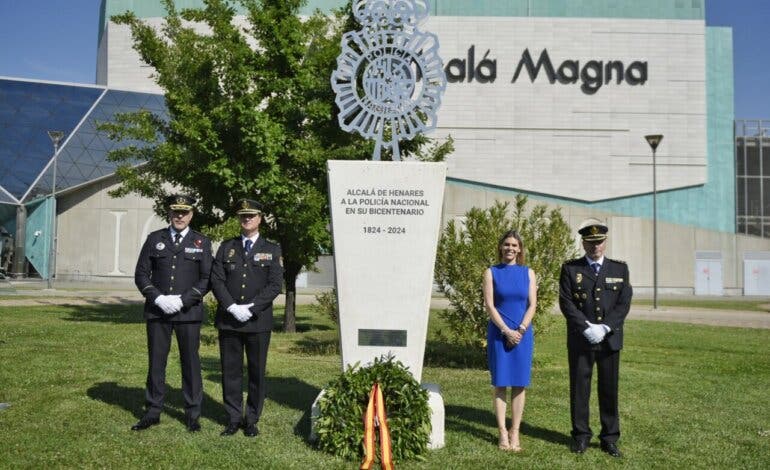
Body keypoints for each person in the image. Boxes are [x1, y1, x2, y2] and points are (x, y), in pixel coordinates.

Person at [132, 194, 213, 432]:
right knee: (157, 362)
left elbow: (207, 278)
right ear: (169, 213)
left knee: (191, 363)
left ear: (191, 215)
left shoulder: (201, 242)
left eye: (184, 212)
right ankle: (153, 411)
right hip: (158, 312)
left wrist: (183, 300)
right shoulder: (155, 239)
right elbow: (141, 274)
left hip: (188, 312)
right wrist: (158, 298)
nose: (179, 216)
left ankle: (192, 414)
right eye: (176, 212)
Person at [559, 218, 632, 458]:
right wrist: (585, 327)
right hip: (581, 339)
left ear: (605, 242)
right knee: (580, 389)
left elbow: (623, 303)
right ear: (583, 243)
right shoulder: (571, 269)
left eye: (599, 242)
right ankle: (581, 436)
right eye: (590, 242)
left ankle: (609, 438)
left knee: (609, 389)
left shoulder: (619, 269)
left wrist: (606, 327)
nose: (595, 246)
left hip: (609, 339)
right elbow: (566, 302)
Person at [211, 198, 283, 437]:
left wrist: (251, 308)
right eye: (243, 216)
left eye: (251, 215)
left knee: (256, 372)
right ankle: (233, 418)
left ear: (260, 218)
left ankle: (251, 419)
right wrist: (231, 306)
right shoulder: (227, 246)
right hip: (229, 319)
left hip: (257, 321)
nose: (247, 219)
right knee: (230, 371)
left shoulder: (272, 249)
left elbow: (275, 285)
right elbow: (217, 280)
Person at [482, 230, 537, 452]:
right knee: (500, 383)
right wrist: (506, 331)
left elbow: (532, 305)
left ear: (520, 249)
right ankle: (502, 432)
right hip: (499, 333)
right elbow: (489, 305)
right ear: (500, 247)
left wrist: (520, 330)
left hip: (523, 334)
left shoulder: (529, 273)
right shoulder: (491, 272)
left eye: (514, 245)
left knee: (519, 384)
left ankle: (515, 431)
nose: (510, 248)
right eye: (506, 244)